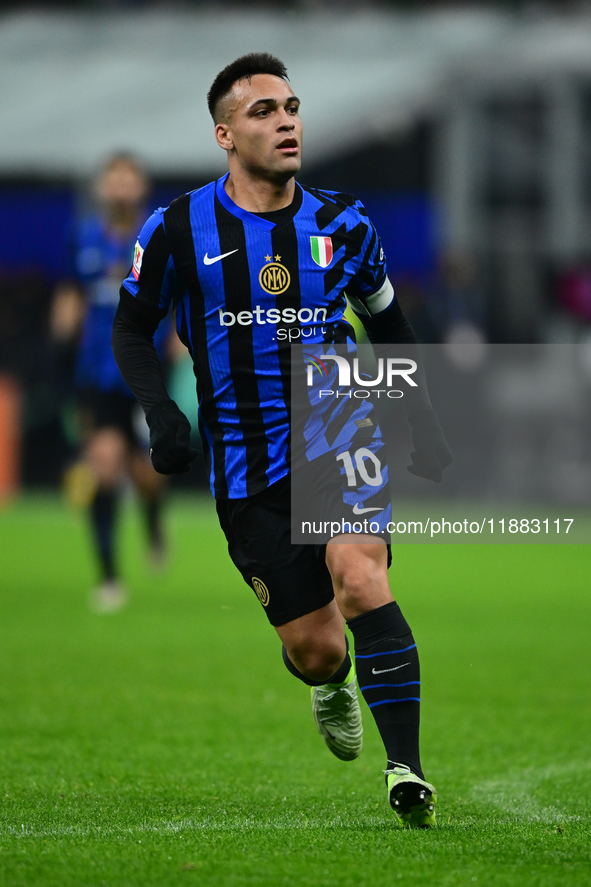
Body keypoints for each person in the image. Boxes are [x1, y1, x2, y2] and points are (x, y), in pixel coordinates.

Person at [112, 54, 452, 827]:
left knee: (361, 577)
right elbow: (132, 328)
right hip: (244, 463)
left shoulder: (344, 222)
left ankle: (406, 769)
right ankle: (331, 685)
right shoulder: (175, 228)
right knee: (316, 649)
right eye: (264, 110)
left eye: (292, 106)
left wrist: (422, 418)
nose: (287, 120)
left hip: (339, 433)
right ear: (226, 134)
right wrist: (160, 414)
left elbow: (389, 323)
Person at [51, 154, 170, 612]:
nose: (120, 187)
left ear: (141, 186)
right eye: (113, 179)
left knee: (147, 476)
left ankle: (154, 524)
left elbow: (176, 298)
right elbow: (71, 294)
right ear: (103, 186)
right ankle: (108, 577)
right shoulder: (83, 236)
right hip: (97, 371)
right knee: (104, 465)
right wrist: (60, 342)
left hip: (145, 373)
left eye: (129, 178)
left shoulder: (159, 234)